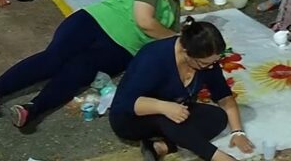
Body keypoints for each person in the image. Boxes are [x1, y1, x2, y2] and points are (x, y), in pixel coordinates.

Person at [0, 0, 206, 128]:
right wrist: (178, 38)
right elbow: (145, 22)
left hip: (120, 50)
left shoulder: (173, 9)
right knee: (53, 60)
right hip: (93, 23)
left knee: (76, 73)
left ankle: (32, 109)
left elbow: (168, 42)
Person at [110, 18, 256, 161]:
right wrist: (164, 107)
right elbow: (125, 104)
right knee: (170, 120)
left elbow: (223, 95)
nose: (211, 67)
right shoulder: (153, 58)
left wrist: (237, 132)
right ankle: (218, 156)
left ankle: (161, 146)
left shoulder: (206, 61)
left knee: (217, 117)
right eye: (204, 63)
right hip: (132, 118)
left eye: (214, 62)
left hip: (173, 109)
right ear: (186, 52)